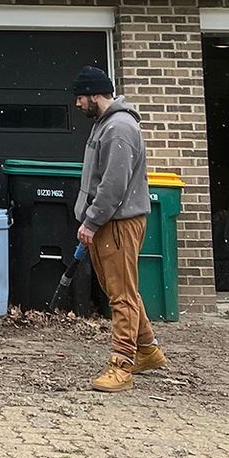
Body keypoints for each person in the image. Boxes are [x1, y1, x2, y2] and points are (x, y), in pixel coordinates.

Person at [72, 64, 166, 392]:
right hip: (110, 223)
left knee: (121, 296)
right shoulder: (105, 124)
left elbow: (113, 185)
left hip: (117, 224)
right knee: (122, 289)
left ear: (97, 94)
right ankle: (148, 351)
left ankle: (122, 365)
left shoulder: (119, 127)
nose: (77, 103)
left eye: (81, 97)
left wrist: (92, 221)